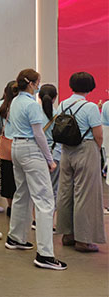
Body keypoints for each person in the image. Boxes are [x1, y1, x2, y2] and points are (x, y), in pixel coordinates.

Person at [4, 69, 66, 270]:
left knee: (22, 194)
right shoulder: (32, 105)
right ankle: (45, 254)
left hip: (16, 148)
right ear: (31, 83)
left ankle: (16, 237)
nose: (39, 85)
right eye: (38, 82)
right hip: (31, 150)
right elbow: (39, 134)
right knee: (45, 201)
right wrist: (50, 159)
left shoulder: (15, 101)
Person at [56, 72, 105, 252]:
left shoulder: (62, 104)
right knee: (85, 194)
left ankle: (67, 234)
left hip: (66, 151)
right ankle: (83, 240)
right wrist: (97, 151)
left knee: (65, 192)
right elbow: (98, 134)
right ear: (90, 86)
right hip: (85, 149)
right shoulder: (90, 107)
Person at [0, 81, 18, 217]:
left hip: (5, 146)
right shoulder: (21, 106)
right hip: (19, 144)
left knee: (7, 177)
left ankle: (10, 206)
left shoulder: (0, 106)